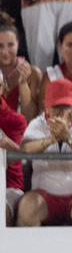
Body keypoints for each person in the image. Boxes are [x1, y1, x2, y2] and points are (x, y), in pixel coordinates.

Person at [16, 79, 72, 227]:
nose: (63, 112)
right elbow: (25, 148)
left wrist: (68, 137)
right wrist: (49, 140)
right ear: (47, 107)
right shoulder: (38, 123)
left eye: (67, 106)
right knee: (28, 207)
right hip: (46, 192)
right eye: (57, 107)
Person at [0, 17, 42, 121]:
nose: (5, 51)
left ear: (18, 44)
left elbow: (29, 119)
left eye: (10, 45)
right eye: (0, 46)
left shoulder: (33, 73)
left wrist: (23, 84)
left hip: (22, 134)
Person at [1, 95, 24, 227]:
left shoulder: (15, 119)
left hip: (8, 186)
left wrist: (5, 142)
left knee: (1, 210)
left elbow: (14, 160)